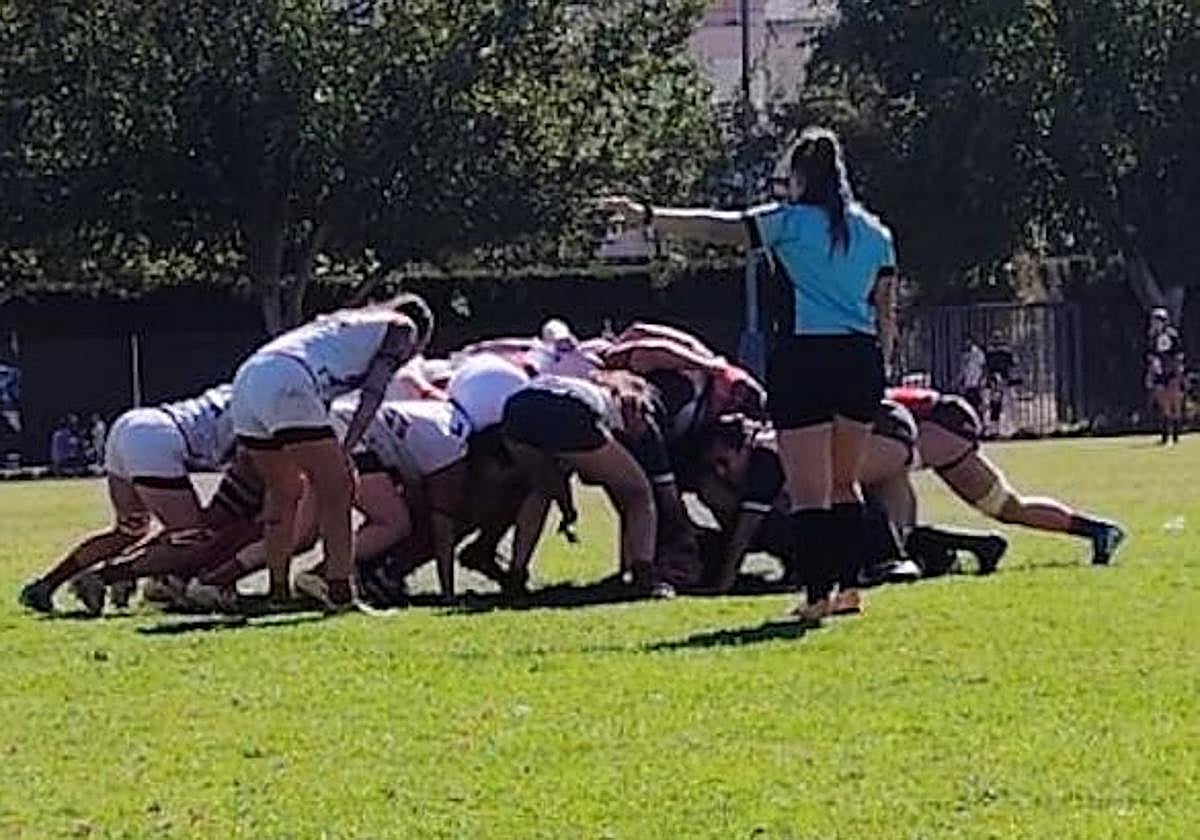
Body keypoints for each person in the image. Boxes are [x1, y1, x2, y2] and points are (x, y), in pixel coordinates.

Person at [603, 126, 899, 620]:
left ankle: (816, 596)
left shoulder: (788, 222)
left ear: (800, 175)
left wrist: (650, 216)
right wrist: (880, 368)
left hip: (804, 358)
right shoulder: (877, 233)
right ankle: (849, 589)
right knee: (845, 483)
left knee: (808, 490)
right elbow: (886, 311)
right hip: (860, 359)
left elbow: (718, 227)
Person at [228, 294, 433, 612]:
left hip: (248, 378)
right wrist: (347, 448)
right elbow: (373, 393)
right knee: (339, 485)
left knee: (283, 493)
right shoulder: (402, 328)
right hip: (289, 378)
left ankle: (277, 592)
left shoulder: (346, 322)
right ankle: (339, 592)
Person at [20, 386, 235, 613]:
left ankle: (46, 585)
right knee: (194, 539)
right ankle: (108, 577)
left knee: (129, 530)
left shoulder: (239, 390)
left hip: (132, 425)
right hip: (158, 439)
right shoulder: (255, 413)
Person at [887, 383, 1126, 564]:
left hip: (939, 423)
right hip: (943, 423)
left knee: (884, 480)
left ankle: (908, 554)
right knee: (1008, 507)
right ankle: (1098, 530)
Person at [500, 371, 677, 597]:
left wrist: (567, 508)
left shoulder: (579, 383)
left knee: (542, 490)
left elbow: (559, 478)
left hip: (516, 408)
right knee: (639, 494)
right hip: (570, 411)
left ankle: (516, 575)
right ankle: (644, 576)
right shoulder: (627, 403)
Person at [1146, 307, 1186, 444]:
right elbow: (1150, 355)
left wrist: (1178, 370)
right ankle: (1165, 433)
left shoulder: (1171, 335)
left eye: (1157, 320)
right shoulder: (1152, 336)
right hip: (1159, 372)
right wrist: (1152, 369)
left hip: (1171, 371)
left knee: (1174, 401)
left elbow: (1179, 353)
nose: (1155, 323)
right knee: (1163, 403)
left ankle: (1175, 432)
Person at [958, 338, 987, 417]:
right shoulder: (964, 355)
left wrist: (982, 379)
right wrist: (961, 380)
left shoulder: (978, 353)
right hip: (968, 383)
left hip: (976, 381)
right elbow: (963, 369)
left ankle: (980, 417)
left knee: (977, 401)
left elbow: (983, 366)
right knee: (969, 402)